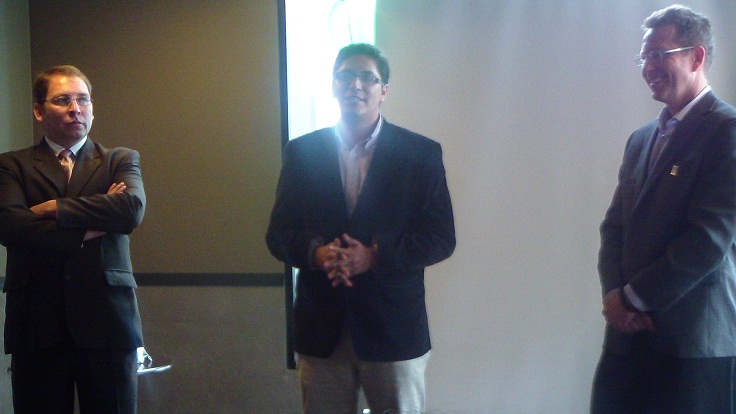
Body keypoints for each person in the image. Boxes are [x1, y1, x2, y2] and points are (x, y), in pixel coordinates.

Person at [266, 43, 455, 413]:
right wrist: (317, 254)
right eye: (346, 76)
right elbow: (279, 234)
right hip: (321, 329)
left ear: (383, 91)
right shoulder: (301, 153)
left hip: (394, 328)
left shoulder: (420, 154)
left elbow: (440, 238)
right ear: (333, 85)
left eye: (368, 77)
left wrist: (374, 256)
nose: (356, 84)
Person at [591, 5, 736, 413]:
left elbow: (707, 240)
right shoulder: (641, 139)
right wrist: (614, 298)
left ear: (697, 56)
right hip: (627, 339)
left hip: (691, 344)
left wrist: (633, 299)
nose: (649, 67)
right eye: (643, 57)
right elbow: (614, 228)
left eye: (659, 54)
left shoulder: (726, 131)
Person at [0, 65, 146, 413]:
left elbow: (130, 210)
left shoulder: (119, 159)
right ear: (39, 111)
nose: (75, 109)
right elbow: (11, 225)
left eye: (83, 100)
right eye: (62, 100)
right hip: (36, 322)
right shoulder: (11, 165)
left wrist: (56, 208)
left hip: (108, 321)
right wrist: (91, 226)